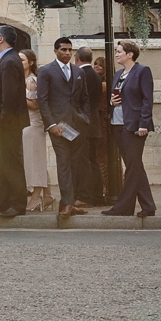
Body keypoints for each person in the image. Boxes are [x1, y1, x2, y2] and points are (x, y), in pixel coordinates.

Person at [103, 40, 156, 218]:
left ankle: (123, 207)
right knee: (134, 166)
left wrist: (144, 123)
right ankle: (148, 206)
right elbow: (115, 98)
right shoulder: (118, 74)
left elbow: (147, 100)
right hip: (117, 124)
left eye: (119, 51)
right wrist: (112, 102)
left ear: (130, 54)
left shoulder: (142, 71)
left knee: (132, 167)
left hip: (134, 125)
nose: (116, 54)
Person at [37, 37, 90, 219]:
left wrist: (85, 118)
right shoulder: (45, 71)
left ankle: (70, 202)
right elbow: (42, 100)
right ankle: (67, 204)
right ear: (55, 51)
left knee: (75, 164)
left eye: (69, 50)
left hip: (77, 126)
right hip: (58, 127)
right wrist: (51, 124)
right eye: (63, 50)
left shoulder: (78, 72)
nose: (67, 53)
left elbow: (85, 98)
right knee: (64, 163)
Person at [0, 25, 28, 218]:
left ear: (1, 39)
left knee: (11, 163)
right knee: (2, 163)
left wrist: (3, 119)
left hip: (8, 123)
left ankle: (18, 204)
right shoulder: (4, 60)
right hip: (1, 123)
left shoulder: (10, 61)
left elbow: (9, 95)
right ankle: (4, 200)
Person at [19, 49, 51, 212]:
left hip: (33, 123)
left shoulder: (31, 80)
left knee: (34, 160)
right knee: (36, 158)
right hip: (25, 123)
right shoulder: (21, 78)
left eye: (22, 60)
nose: (19, 62)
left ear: (30, 63)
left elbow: (34, 104)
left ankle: (36, 196)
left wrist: (18, 96)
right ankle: (48, 194)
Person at [72, 47, 105, 207]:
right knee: (92, 161)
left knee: (84, 161)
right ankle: (97, 195)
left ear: (77, 58)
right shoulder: (95, 75)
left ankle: (85, 196)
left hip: (83, 124)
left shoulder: (81, 74)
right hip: (93, 123)